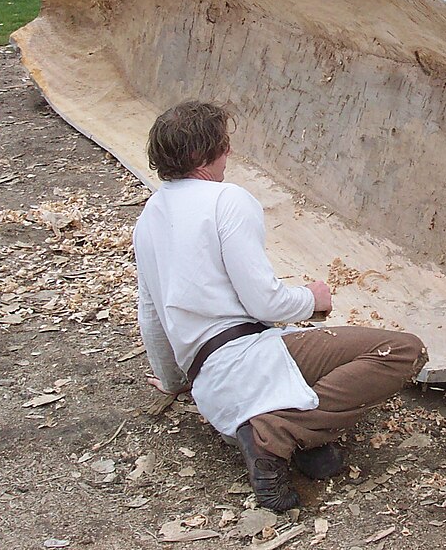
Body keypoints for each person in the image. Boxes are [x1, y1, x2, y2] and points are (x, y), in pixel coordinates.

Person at [133, 101, 427, 511]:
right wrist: (312, 298)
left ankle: (289, 435)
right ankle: (277, 431)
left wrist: (172, 380)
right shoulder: (225, 199)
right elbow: (263, 300)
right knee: (402, 350)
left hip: (209, 382)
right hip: (246, 355)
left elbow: (151, 315)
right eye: (224, 145)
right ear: (202, 156)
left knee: (323, 455)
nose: (229, 154)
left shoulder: (148, 218)